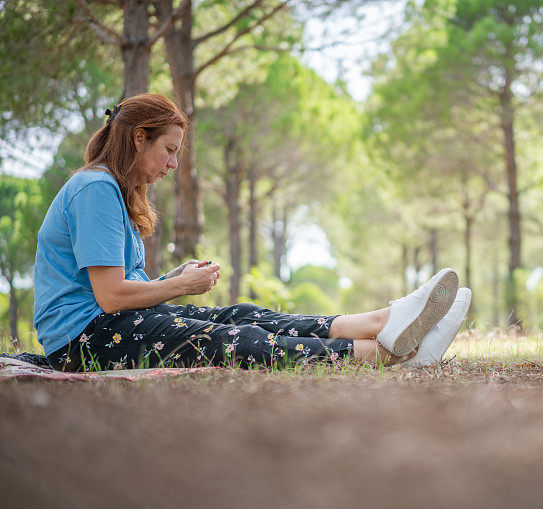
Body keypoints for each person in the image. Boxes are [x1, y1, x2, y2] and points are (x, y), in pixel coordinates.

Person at [33, 93, 472, 372]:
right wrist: (180, 286)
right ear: (138, 138)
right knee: (235, 340)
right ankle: (392, 354)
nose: (172, 165)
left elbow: (114, 292)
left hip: (110, 327)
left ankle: (382, 322)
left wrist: (168, 282)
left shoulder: (112, 191)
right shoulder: (95, 189)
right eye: (168, 150)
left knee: (241, 314)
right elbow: (109, 298)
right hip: (83, 343)